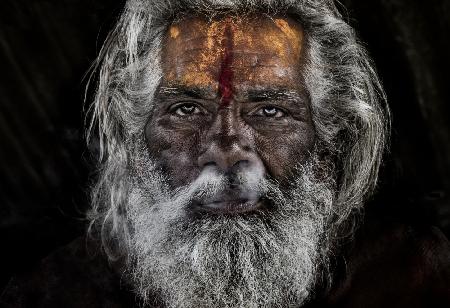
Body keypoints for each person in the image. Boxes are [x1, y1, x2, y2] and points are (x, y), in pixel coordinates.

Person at [2, 0, 449, 307]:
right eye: (186, 108)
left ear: (329, 136)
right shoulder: (56, 295)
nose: (226, 150)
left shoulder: (413, 278)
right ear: (136, 135)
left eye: (270, 110)